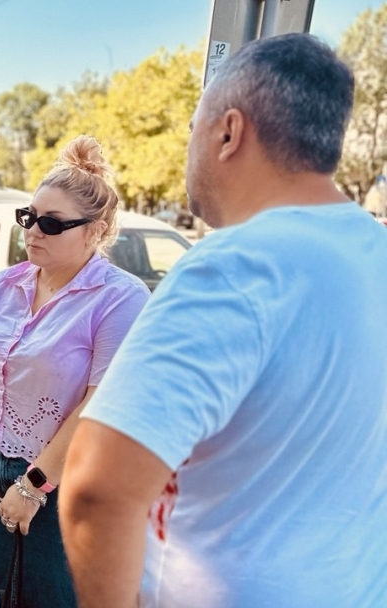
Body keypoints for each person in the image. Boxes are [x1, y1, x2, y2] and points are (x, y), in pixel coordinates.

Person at [59, 34, 387, 608]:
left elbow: (96, 490)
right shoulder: (373, 253)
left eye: (193, 128)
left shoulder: (239, 266)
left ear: (229, 132)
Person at [0, 136, 149, 606]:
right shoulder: (2, 285)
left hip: (63, 487)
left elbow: (100, 405)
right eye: (29, 217)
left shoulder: (121, 298)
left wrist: (34, 486)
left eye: (52, 223)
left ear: (95, 231)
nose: (33, 231)